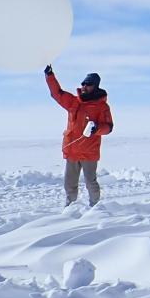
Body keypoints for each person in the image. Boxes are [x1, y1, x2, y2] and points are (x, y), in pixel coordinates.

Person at [44, 64, 114, 207]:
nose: (84, 86)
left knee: (90, 182)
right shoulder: (74, 102)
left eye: (88, 84)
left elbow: (109, 127)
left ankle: (95, 207)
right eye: (83, 83)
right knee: (69, 184)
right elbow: (57, 93)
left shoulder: (102, 106)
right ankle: (70, 208)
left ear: (95, 86)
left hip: (89, 152)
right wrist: (49, 76)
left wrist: (97, 129)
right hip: (72, 150)